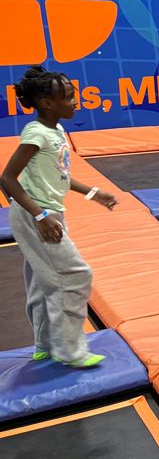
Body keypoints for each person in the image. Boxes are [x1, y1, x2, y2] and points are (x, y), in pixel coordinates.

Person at [0, 66, 118, 368]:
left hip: (46, 213)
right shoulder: (36, 133)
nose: (75, 101)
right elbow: (7, 179)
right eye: (68, 97)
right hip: (38, 215)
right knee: (76, 275)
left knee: (43, 280)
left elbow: (60, 175)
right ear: (47, 103)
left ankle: (44, 344)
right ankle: (70, 350)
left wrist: (93, 193)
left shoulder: (56, 131)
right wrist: (39, 216)